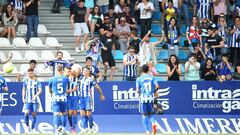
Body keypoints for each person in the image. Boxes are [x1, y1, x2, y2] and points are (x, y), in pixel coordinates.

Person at [79, 67, 105, 133]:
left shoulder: (90, 79)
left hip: (87, 97)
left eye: (86, 71)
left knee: (88, 113)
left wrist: (101, 94)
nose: (84, 72)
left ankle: (91, 126)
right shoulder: (80, 79)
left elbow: (97, 87)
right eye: (83, 71)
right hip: (81, 98)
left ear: (89, 72)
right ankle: (85, 128)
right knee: (82, 113)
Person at [136, 64, 159, 135]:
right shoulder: (152, 77)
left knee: (144, 114)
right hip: (150, 98)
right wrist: (153, 92)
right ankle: (153, 124)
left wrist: (139, 92)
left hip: (143, 98)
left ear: (142, 70)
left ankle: (147, 131)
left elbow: (137, 90)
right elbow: (158, 86)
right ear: (148, 70)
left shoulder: (139, 79)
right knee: (151, 114)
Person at [49, 64, 70, 135]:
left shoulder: (52, 79)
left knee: (56, 114)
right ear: (63, 70)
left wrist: (53, 93)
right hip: (63, 98)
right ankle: (63, 130)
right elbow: (67, 88)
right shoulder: (66, 79)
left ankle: (56, 131)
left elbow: (50, 89)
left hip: (55, 98)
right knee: (64, 114)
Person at [22, 68, 42, 133]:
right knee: (26, 113)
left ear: (33, 73)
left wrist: (35, 96)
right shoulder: (25, 81)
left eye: (30, 73)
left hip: (35, 101)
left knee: (34, 114)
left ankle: (33, 128)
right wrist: (23, 98)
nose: (29, 74)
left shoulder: (37, 81)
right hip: (28, 100)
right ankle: (27, 128)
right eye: (28, 73)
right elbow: (24, 90)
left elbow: (40, 91)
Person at [66, 67, 78, 133]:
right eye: (71, 71)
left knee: (75, 112)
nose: (73, 72)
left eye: (73, 71)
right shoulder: (66, 79)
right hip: (69, 97)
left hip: (75, 97)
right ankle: (71, 127)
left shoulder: (77, 79)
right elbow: (65, 91)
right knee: (70, 113)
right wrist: (73, 90)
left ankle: (74, 128)